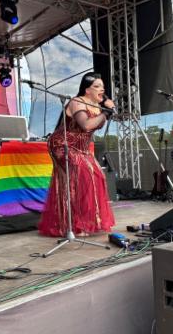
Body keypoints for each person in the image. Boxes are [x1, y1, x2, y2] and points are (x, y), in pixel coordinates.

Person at [38, 72, 116, 237]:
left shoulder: (97, 106)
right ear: (87, 90)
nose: (102, 89)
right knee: (81, 175)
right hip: (63, 144)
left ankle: (87, 221)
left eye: (102, 87)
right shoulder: (77, 102)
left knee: (98, 175)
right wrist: (106, 113)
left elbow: (96, 125)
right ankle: (72, 225)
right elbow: (86, 125)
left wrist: (106, 109)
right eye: (97, 86)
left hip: (82, 148)